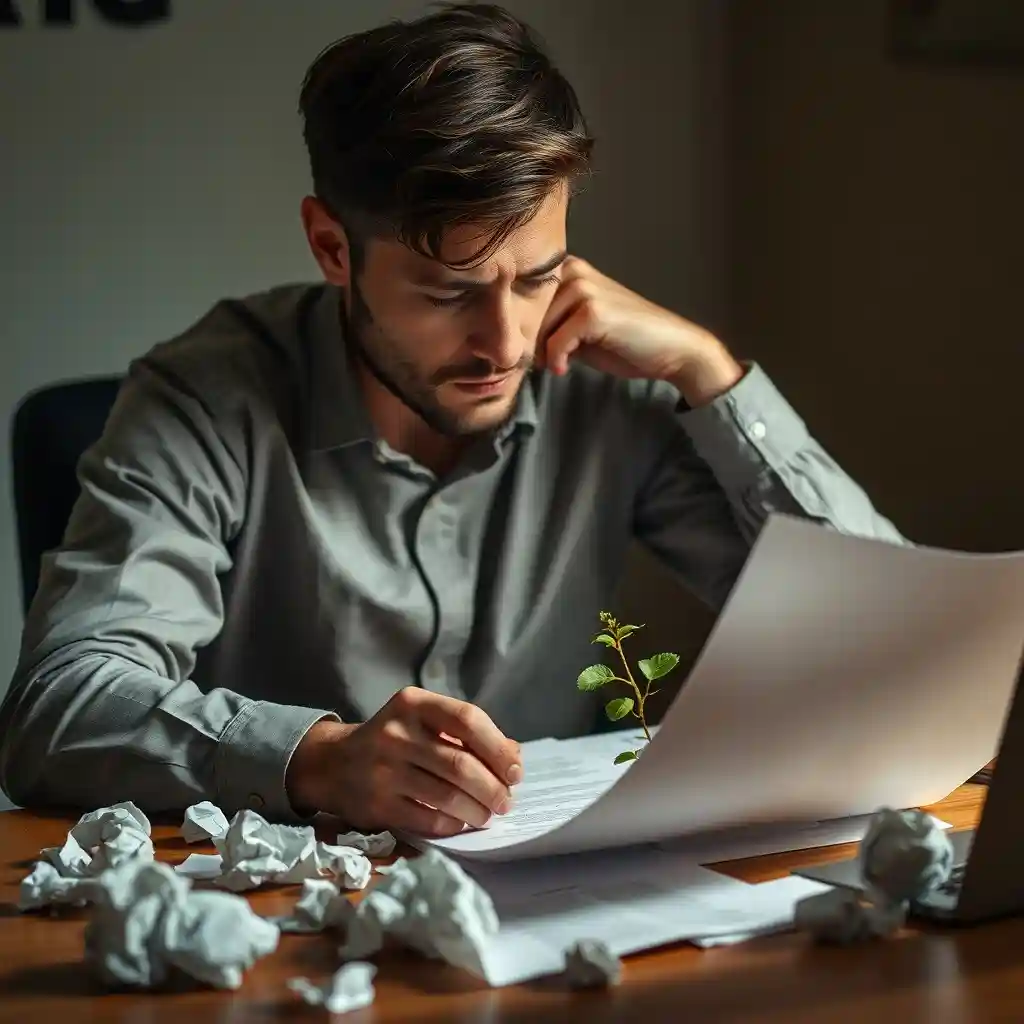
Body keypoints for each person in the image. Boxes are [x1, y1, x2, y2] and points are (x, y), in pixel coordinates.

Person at [0, 3, 902, 837]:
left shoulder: (605, 384)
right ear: (331, 248)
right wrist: (318, 759)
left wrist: (711, 372)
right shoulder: (205, 397)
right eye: (449, 292)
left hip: (564, 919)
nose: (506, 342)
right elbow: (57, 706)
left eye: (539, 275)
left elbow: (891, 641)